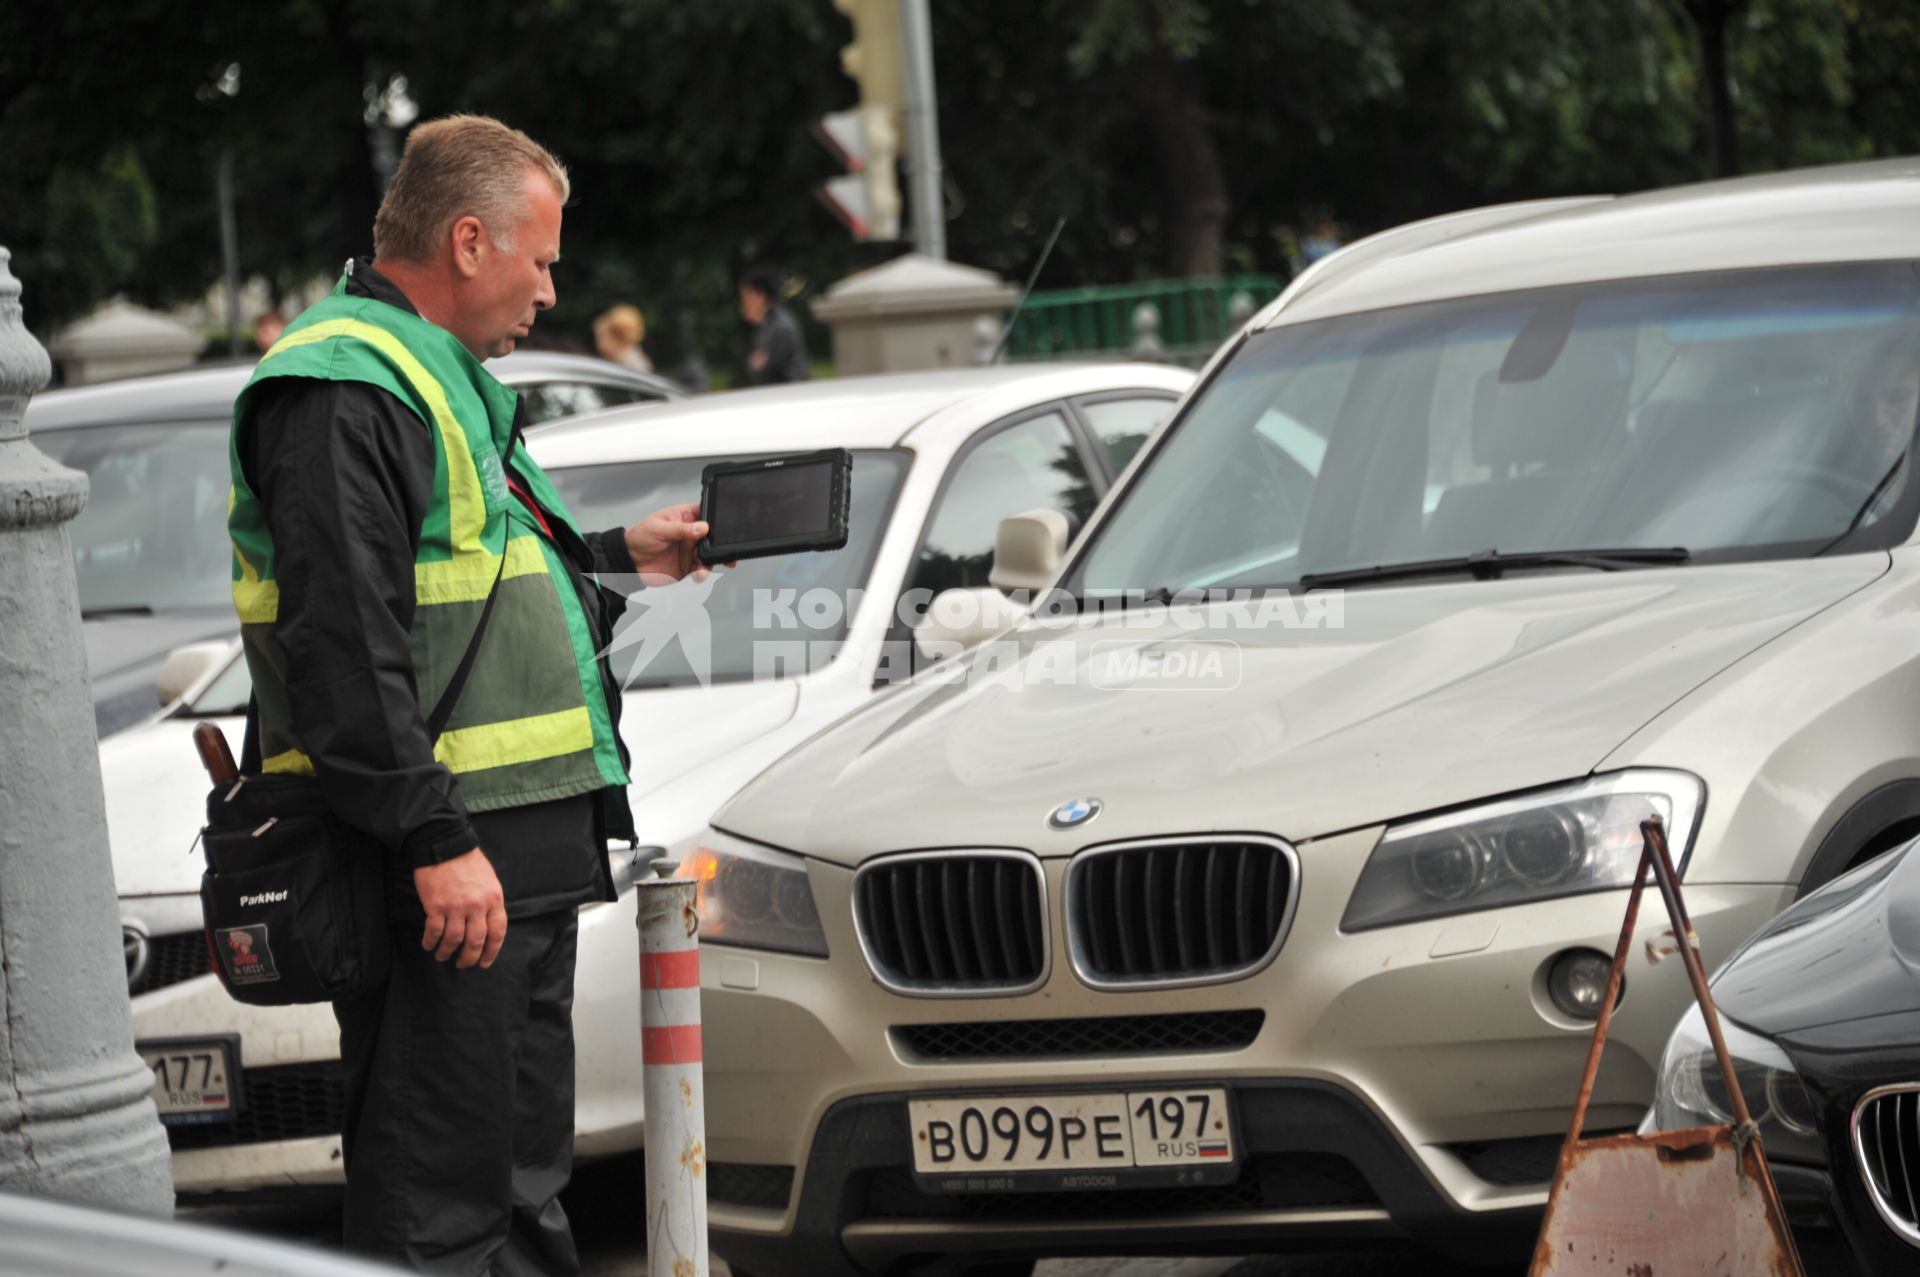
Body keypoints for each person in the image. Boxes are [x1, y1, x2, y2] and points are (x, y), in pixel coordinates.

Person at [225, 114, 712, 1274]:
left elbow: (471, 588)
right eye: (540, 259)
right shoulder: (345, 387)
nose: (550, 290)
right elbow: (347, 650)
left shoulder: (431, 379)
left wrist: (613, 559)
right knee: (441, 1210)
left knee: (520, 1196)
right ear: (468, 240)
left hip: (507, 868)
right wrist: (433, 836)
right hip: (447, 874)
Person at [738, 270, 809, 384]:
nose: (743, 302)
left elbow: (766, 368)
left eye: (747, 296)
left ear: (760, 296)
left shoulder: (780, 326)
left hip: (788, 391)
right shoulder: (768, 323)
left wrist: (757, 362)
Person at [592, 302, 652, 372]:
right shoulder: (619, 361)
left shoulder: (631, 367)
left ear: (617, 337)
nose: (598, 342)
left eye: (603, 336)